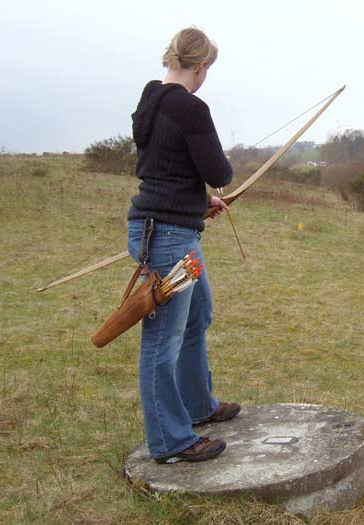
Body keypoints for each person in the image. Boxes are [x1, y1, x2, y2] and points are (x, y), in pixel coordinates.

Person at [126, 27, 239, 464]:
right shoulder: (190, 107)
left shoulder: (150, 98)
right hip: (169, 237)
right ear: (202, 65)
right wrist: (209, 189)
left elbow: (164, 166)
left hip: (172, 228)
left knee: (197, 314)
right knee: (162, 338)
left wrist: (198, 202)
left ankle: (198, 407)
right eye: (208, 67)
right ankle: (170, 441)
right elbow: (219, 169)